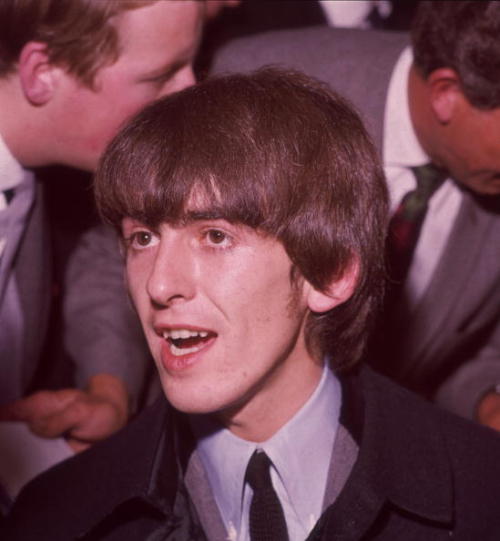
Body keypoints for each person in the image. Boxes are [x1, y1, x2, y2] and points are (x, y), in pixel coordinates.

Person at [4, 67, 500, 541]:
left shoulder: (482, 494)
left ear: (329, 274)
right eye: (143, 238)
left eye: (215, 236)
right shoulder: (57, 519)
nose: (159, 284)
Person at [210, 0, 500, 430]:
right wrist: (108, 387)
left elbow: (465, 352)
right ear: (446, 95)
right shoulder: (255, 92)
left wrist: (486, 405)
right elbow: (124, 247)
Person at [0, 0, 202, 455]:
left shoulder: (29, 174)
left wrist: (107, 390)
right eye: (159, 76)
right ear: (42, 72)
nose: (190, 92)